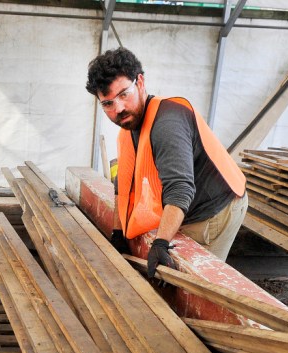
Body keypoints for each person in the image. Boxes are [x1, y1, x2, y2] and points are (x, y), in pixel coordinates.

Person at [85, 48, 248, 278]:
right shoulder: (128, 129)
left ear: (140, 82)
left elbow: (180, 189)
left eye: (124, 94)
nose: (118, 109)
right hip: (187, 198)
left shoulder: (167, 125)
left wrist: (160, 243)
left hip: (215, 206)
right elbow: (123, 187)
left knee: (191, 279)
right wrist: (118, 233)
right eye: (108, 103)